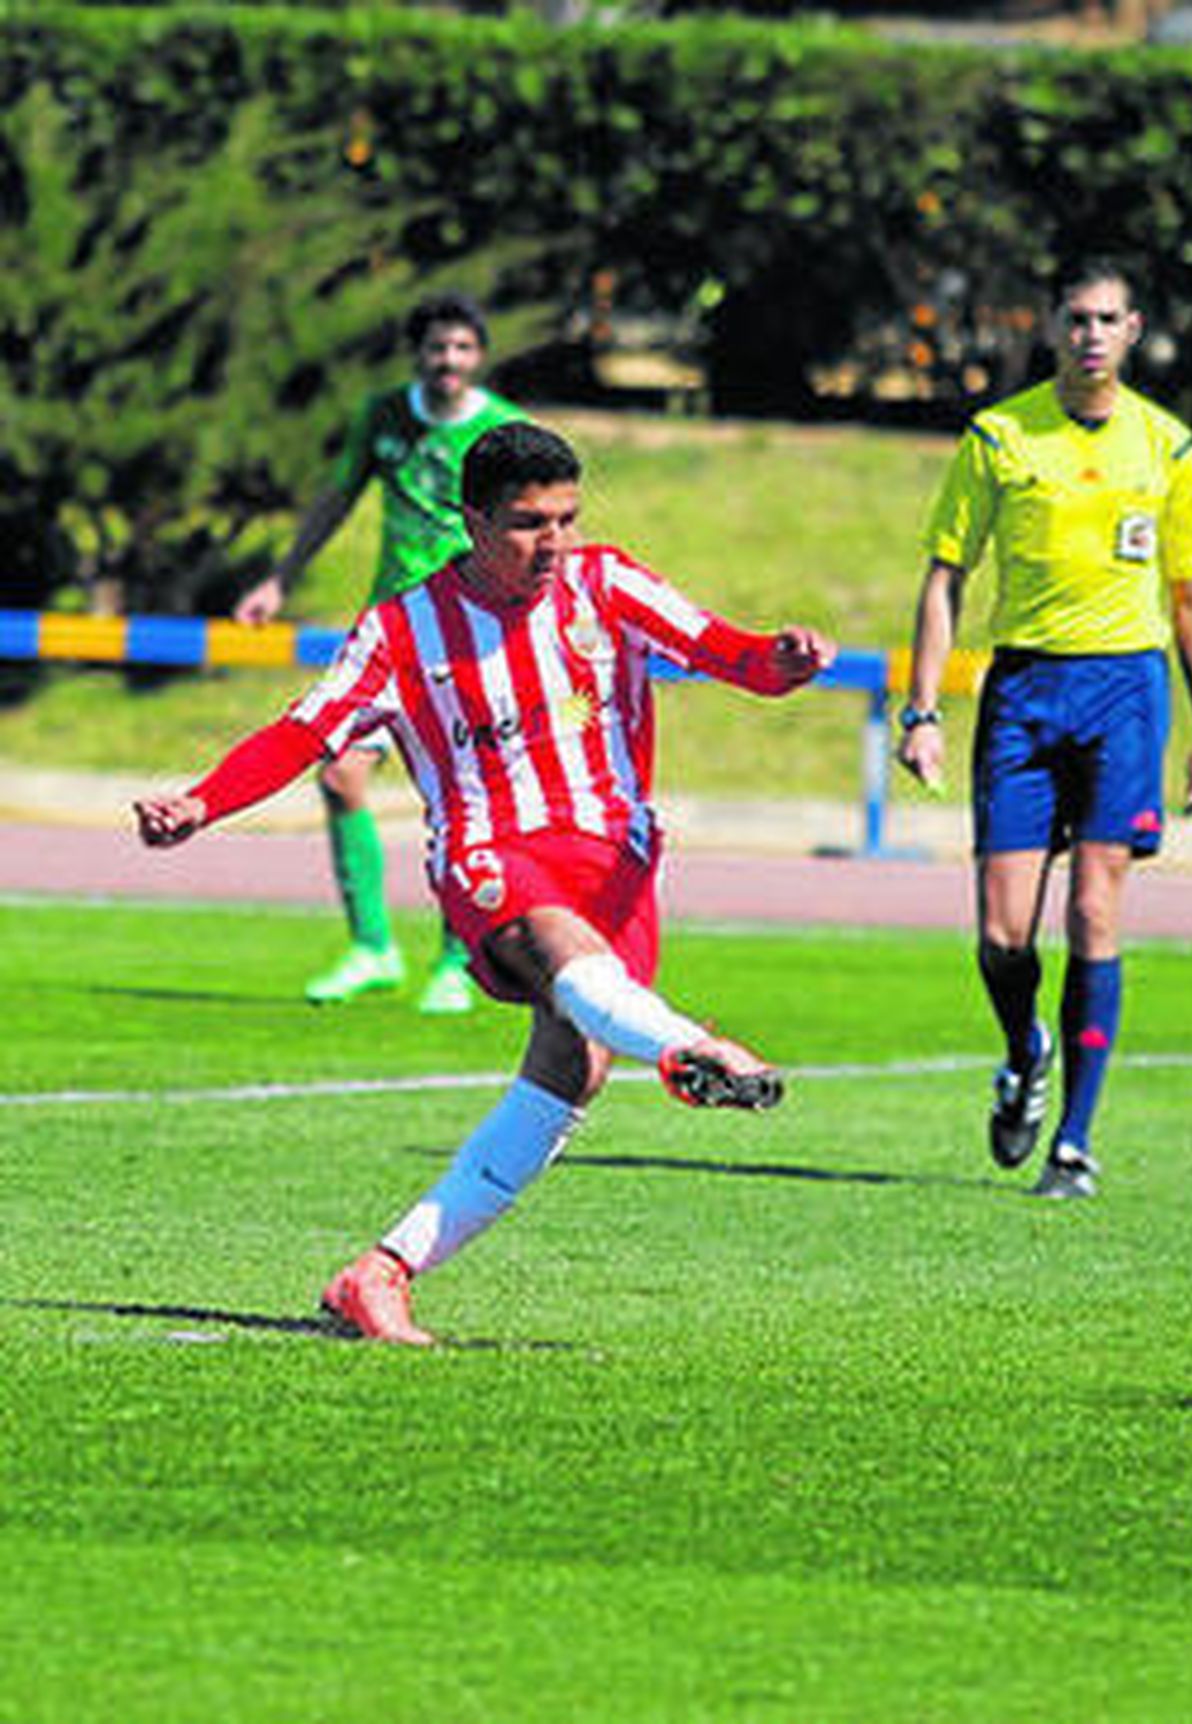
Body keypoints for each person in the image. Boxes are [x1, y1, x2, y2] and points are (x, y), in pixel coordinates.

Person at [137, 421, 837, 1344]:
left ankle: (379, 1274)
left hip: (617, 869)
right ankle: (688, 1049)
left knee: (572, 1068)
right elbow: (305, 731)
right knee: (558, 950)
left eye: (566, 519)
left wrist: (783, 661)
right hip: (491, 853)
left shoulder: (608, 584)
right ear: (471, 520)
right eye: (527, 524)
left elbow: (726, 652)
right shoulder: (402, 629)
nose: (553, 543)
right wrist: (203, 801)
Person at [896, 257, 1192, 1200]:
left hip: (1126, 691)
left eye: (1107, 319)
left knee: (1093, 911)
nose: (1091, 335)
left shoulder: (1169, 449)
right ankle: (1024, 1050)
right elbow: (946, 578)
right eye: (1077, 318)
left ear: (1134, 330)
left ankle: (1073, 1145)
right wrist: (924, 711)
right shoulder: (999, 436)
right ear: (1052, 327)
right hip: (1024, 691)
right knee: (1004, 934)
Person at [235, 291, 529, 1014]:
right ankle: (373, 948)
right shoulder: (384, 417)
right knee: (340, 776)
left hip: (470, 633)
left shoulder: (501, 431)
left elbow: (534, 528)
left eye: (462, 347)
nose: (449, 360)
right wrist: (280, 578)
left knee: (468, 798)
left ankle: (458, 961)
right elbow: (336, 499)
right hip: (392, 631)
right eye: (437, 347)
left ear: (479, 356)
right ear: (417, 354)